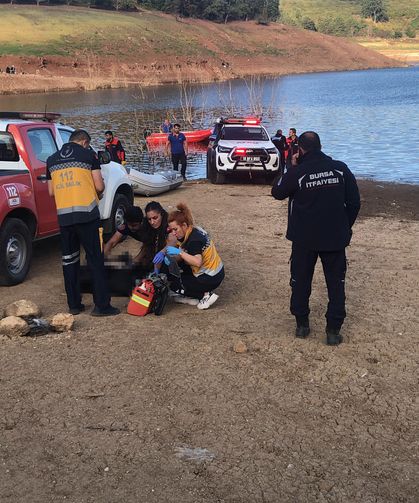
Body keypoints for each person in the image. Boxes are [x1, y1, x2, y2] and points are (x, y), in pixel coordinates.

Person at [271, 131, 360, 345]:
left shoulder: (298, 171)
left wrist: (291, 167)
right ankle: (333, 330)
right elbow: (354, 203)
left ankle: (302, 325)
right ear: (320, 146)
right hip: (334, 238)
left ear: (300, 150)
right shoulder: (340, 168)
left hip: (304, 238)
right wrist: (344, 227)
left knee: (301, 281)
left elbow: (277, 191)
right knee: (336, 284)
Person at [46, 129, 120, 316]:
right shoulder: (89, 155)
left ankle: (74, 305)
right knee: (95, 259)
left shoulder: (51, 160)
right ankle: (101, 306)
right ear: (85, 142)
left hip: (65, 218)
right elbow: (99, 186)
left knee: (69, 261)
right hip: (87, 216)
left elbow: (51, 192)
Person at [154, 202, 224, 310]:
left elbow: (197, 262)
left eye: (175, 229)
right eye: (171, 230)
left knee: (174, 285)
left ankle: (204, 295)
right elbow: (184, 256)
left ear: (184, 225)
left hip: (210, 276)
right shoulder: (191, 231)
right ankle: (193, 293)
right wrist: (171, 259)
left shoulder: (193, 240)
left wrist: (179, 253)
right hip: (215, 271)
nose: (173, 233)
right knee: (174, 267)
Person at [137, 201, 169, 271]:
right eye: (149, 219)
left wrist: (162, 252)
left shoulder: (169, 223)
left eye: (155, 218)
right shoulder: (146, 226)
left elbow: (173, 242)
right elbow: (146, 246)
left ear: (161, 214)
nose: (152, 222)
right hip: (153, 258)